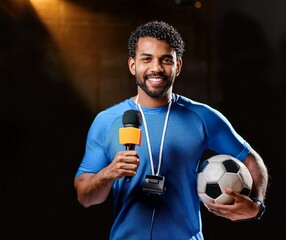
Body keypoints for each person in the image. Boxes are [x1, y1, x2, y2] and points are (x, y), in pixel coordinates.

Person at [74, 21, 268, 240]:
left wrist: (257, 205)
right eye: (146, 59)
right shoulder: (106, 121)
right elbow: (85, 197)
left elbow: (252, 160)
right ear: (132, 65)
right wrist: (107, 174)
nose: (156, 68)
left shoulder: (203, 118)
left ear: (178, 66)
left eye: (166, 60)